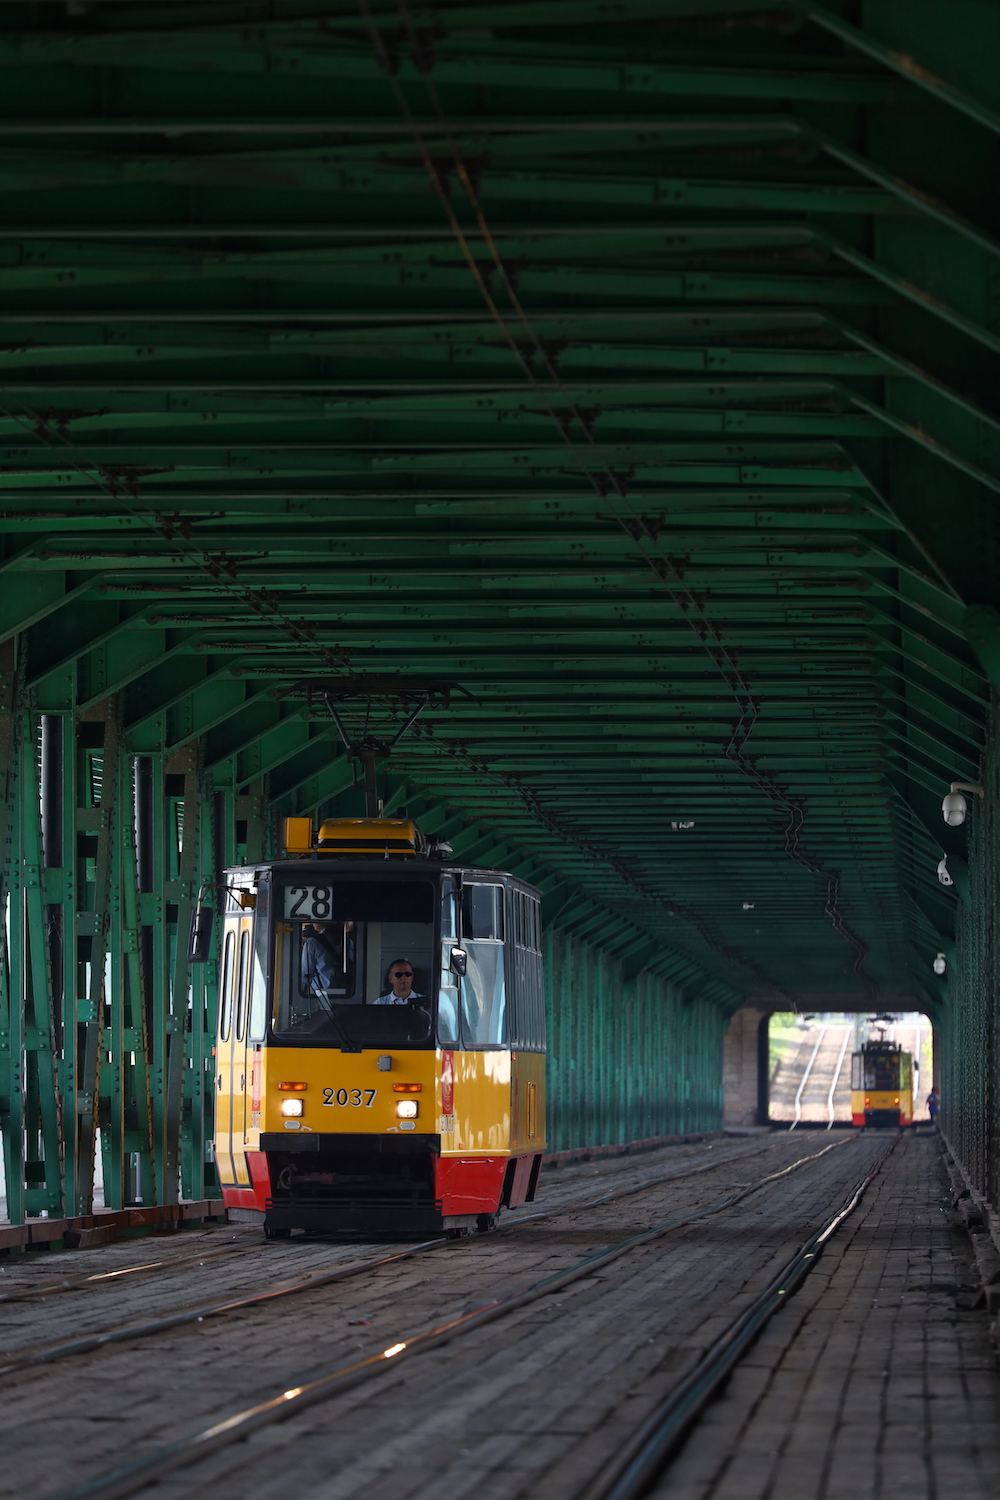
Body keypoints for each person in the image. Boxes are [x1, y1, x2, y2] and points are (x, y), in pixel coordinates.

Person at [300, 921, 353, 999]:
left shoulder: (312, 943)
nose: (312, 922)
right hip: (347, 992)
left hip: (320, 996)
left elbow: (306, 975)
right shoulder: (348, 941)